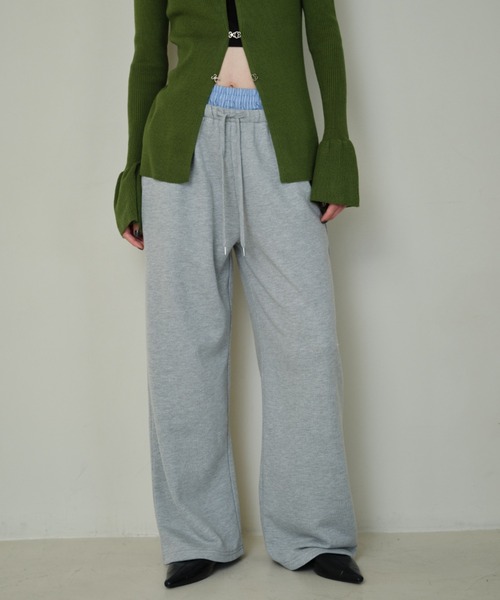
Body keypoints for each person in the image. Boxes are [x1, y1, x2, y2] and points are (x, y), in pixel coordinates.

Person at [114, 0, 363, 589]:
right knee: (182, 352)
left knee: (307, 348)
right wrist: (131, 178)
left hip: (283, 150)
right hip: (178, 156)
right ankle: (198, 537)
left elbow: (325, 41)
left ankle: (314, 534)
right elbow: (147, 61)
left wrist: (336, 151)